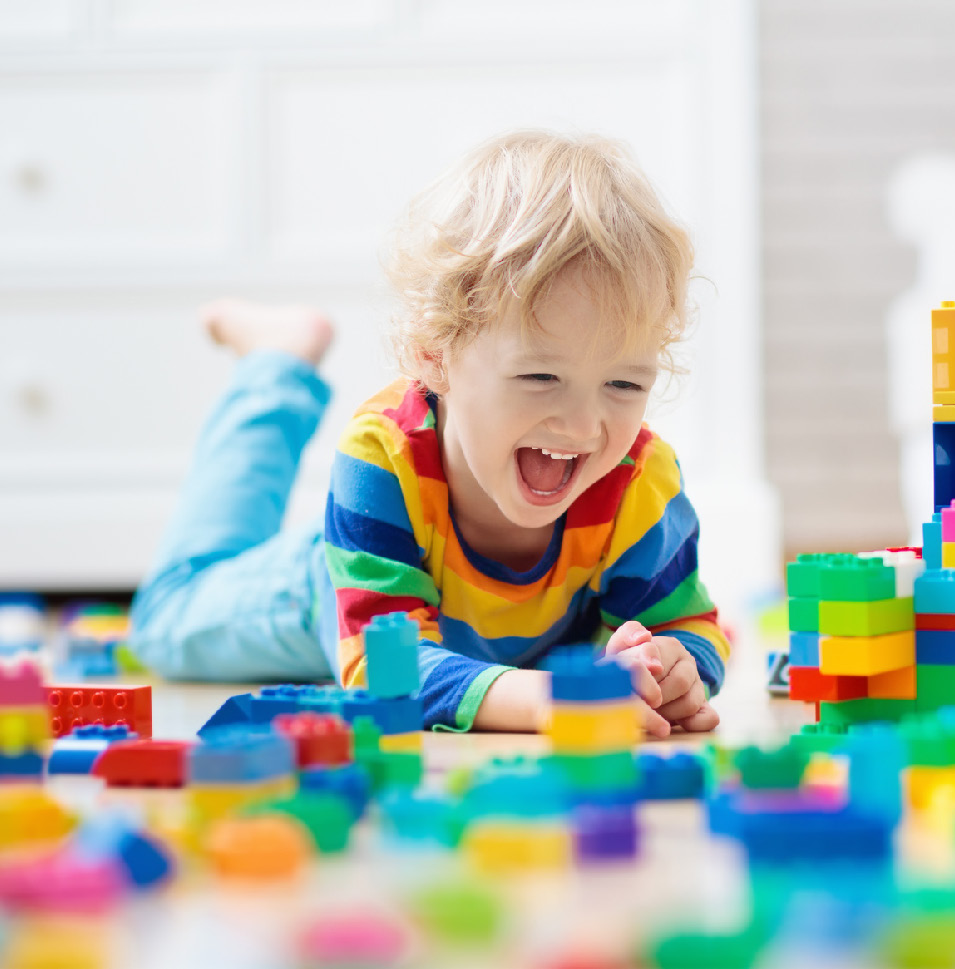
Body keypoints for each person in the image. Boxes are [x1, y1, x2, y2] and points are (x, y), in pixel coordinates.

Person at [131, 131, 727, 736]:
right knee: (167, 617)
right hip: (329, 586)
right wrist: (551, 700)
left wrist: (676, 671)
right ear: (434, 354)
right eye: (541, 375)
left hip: (472, 645)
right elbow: (383, 667)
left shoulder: (639, 482)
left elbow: (690, 628)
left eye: (624, 385)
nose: (583, 425)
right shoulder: (381, 458)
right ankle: (276, 368)